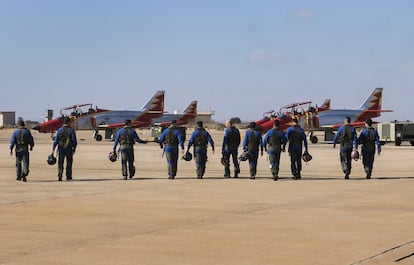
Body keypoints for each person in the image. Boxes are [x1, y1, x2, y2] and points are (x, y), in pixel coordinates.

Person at [52, 117, 77, 181]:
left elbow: (56, 140)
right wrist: (74, 149)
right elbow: (74, 141)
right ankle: (68, 176)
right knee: (69, 163)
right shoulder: (71, 130)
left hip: (61, 149)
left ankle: (60, 175)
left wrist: (53, 149)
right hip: (69, 149)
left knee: (60, 163)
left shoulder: (59, 130)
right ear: (68, 122)